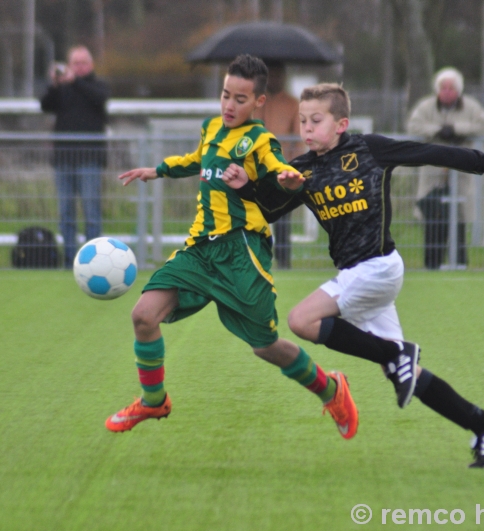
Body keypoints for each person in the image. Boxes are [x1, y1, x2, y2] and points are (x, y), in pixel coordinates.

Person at [223, 83, 484, 468]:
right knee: (401, 375)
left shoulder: (368, 150)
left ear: (341, 123)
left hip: (378, 267)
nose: (307, 128)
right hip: (358, 276)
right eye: (302, 121)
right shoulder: (302, 170)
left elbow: (428, 152)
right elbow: (268, 209)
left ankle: (398, 352)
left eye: (316, 120)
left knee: (301, 320)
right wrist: (248, 189)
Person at [109, 55, 358, 440]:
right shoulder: (211, 127)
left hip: (242, 253)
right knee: (143, 315)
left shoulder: (259, 139)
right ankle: (153, 400)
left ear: (258, 102)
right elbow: (196, 160)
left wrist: (288, 178)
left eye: (240, 99)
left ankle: (331, 388)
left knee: (266, 346)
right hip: (200, 249)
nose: (229, 105)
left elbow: (277, 167)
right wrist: (155, 170)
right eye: (225, 95)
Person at [406, 67, 484, 269]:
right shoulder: (425, 107)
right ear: (437, 89)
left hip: (460, 175)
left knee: (458, 218)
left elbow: (482, 126)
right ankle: (432, 265)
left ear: (458, 90)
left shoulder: (472, 107)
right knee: (433, 218)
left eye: (451, 88)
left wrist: (457, 130)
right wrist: (439, 131)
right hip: (432, 175)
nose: (447, 91)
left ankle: (459, 263)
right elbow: (414, 127)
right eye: (443, 87)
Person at [40, 45, 109, 266]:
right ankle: (70, 260)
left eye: (82, 63)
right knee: (66, 211)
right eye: (74, 63)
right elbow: (45, 105)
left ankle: (93, 261)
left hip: (90, 159)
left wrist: (76, 82)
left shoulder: (97, 85)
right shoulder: (62, 88)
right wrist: (54, 84)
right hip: (64, 159)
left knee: (91, 211)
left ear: (91, 65)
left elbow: (99, 98)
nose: (78, 68)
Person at [253, 61, 302, 269]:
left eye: (277, 75)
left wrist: (294, 166)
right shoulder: (256, 102)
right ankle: (255, 257)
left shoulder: (292, 104)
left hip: (281, 168)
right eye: (270, 75)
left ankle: (283, 260)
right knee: (254, 214)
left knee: (282, 216)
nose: (274, 79)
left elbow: (297, 139)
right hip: (257, 168)